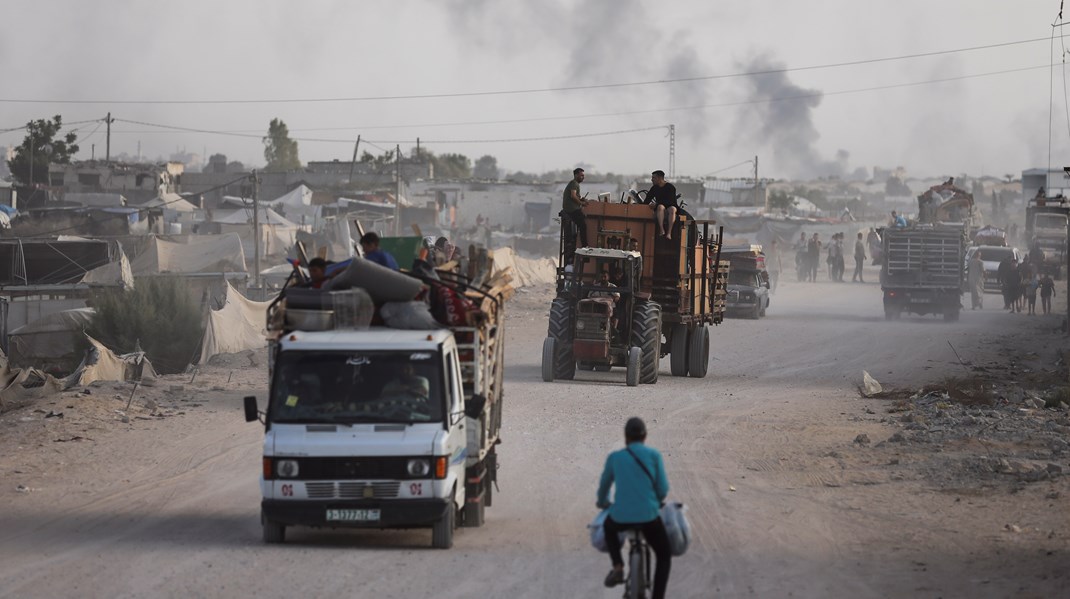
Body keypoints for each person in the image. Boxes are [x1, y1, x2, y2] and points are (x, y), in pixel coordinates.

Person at [596, 417, 671, 599]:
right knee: (664, 555)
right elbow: (663, 489)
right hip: (649, 518)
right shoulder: (654, 456)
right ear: (645, 436)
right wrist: (657, 501)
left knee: (608, 527)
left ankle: (618, 566)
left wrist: (603, 503)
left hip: (621, 517)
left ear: (625, 437)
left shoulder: (616, 458)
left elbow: (604, 488)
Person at [643, 170, 680, 240]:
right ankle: (661, 229)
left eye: (654, 178)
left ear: (660, 178)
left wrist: (656, 204)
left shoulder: (670, 187)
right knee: (660, 207)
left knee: (672, 209)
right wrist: (643, 206)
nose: (651, 180)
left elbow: (671, 201)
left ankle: (669, 233)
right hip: (660, 208)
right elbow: (647, 200)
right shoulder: (654, 188)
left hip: (670, 207)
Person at [562, 168, 590, 250]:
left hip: (573, 207)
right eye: (581, 175)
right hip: (571, 208)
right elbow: (573, 196)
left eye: (583, 176)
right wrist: (581, 203)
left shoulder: (575, 184)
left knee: (582, 221)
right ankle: (584, 245)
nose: (583, 177)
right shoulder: (574, 183)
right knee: (583, 225)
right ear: (576, 175)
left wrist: (582, 199)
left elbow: (576, 196)